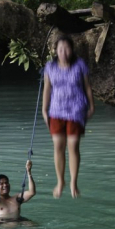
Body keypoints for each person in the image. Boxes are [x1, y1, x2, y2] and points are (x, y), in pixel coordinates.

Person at [42, 36, 95, 198]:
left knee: (73, 145)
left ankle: (73, 182)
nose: (63, 52)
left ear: (72, 50)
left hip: (76, 110)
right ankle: (60, 182)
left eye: (66, 49)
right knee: (58, 145)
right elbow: (47, 89)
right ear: (56, 51)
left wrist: (92, 105)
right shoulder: (50, 67)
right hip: (56, 110)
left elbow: (87, 86)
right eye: (60, 49)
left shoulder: (80, 65)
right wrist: (44, 109)